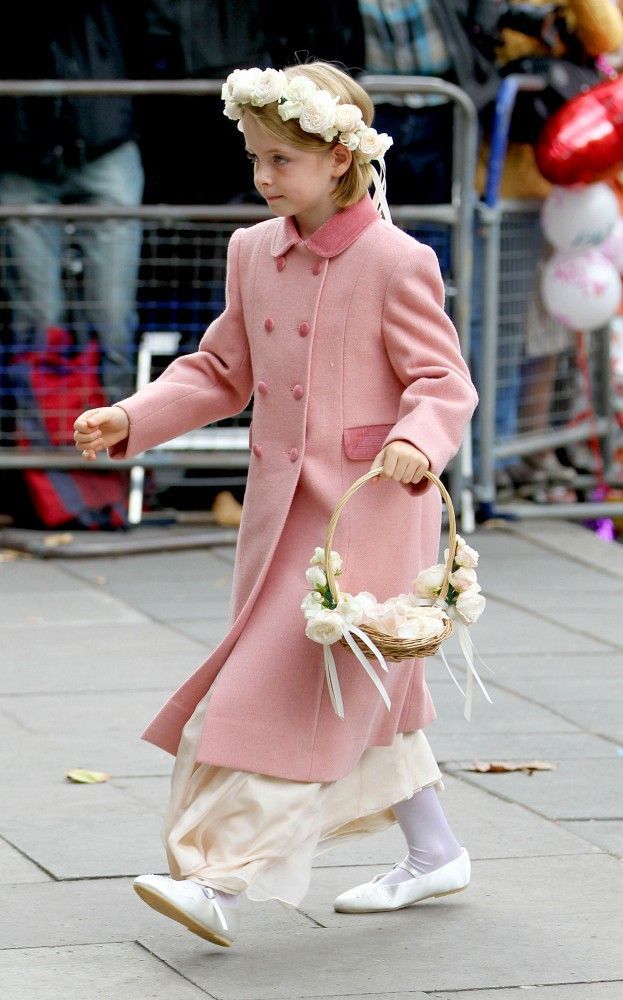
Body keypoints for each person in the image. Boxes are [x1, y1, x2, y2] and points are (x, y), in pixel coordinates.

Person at [73, 62, 478, 948]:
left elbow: (443, 381)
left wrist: (420, 438)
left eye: (280, 158)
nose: (261, 175)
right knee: (363, 693)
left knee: (283, 693)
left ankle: (219, 880)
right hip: (279, 518)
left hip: (366, 517)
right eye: (254, 156)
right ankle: (434, 850)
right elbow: (221, 370)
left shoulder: (397, 261)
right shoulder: (251, 252)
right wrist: (132, 415)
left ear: (340, 157)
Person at [0, 1, 145, 403]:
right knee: (38, 317)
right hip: (21, 149)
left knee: (113, 315)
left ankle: (115, 443)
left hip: (103, 139)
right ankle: (46, 447)